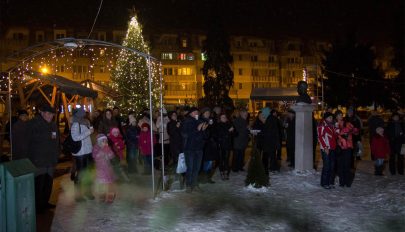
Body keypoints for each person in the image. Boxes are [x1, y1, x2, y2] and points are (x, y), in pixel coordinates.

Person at [27, 104, 59, 214]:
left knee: (48, 183)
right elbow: (27, 142)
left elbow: (56, 142)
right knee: (38, 184)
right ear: (42, 113)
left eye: (52, 114)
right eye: (48, 113)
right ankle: (37, 206)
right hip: (38, 159)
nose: (51, 116)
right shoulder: (33, 124)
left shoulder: (53, 125)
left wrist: (56, 155)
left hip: (50, 159)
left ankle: (45, 202)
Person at [70, 107, 95, 201]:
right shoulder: (75, 124)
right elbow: (75, 138)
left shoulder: (85, 121)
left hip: (88, 151)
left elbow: (90, 135)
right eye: (82, 113)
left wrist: (90, 126)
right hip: (80, 153)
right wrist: (89, 132)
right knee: (80, 174)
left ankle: (88, 192)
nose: (84, 114)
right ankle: (78, 195)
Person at [181, 107, 208, 193]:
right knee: (190, 167)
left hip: (199, 148)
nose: (197, 113)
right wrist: (197, 129)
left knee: (197, 168)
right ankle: (188, 185)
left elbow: (205, 136)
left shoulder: (200, 121)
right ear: (190, 113)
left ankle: (194, 184)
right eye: (195, 112)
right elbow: (185, 134)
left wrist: (203, 131)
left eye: (197, 112)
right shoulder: (186, 121)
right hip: (190, 149)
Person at [335, 110, 358, 187]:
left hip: (348, 146)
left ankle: (347, 182)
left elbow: (356, 131)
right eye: (339, 115)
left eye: (341, 115)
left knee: (347, 164)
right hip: (339, 147)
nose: (340, 116)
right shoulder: (335, 124)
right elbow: (335, 133)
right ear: (336, 116)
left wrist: (353, 130)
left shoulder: (347, 123)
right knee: (340, 165)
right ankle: (342, 182)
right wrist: (342, 132)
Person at [92, 134, 117, 203]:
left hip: (108, 169)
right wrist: (102, 151)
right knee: (101, 184)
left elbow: (112, 156)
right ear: (99, 142)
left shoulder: (107, 148)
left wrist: (108, 152)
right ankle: (102, 196)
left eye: (106, 141)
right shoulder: (96, 148)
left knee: (109, 184)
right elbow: (95, 156)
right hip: (100, 170)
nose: (105, 143)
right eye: (103, 141)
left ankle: (110, 197)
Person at [317, 112, 338, 189]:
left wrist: (336, 130)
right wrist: (325, 147)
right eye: (330, 117)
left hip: (333, 147)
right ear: (325, 118)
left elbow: (334, 136)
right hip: (326, 148)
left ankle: (330, 182)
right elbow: (320, 137)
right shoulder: (322, 125)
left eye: (332, 118)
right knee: (327, 165)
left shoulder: (332, 125)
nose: (331, 119)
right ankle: (324, 183)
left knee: (332, 166)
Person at [167, 111, 185, 187]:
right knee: (176, 161)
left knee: (181, 161)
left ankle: (180, 176)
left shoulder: (179, 122)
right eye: (173, 115)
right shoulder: (169, 124)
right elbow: (171, 133)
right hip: (174, 145)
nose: (175, 116)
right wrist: (176, 127)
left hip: (181, 144)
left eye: (175, 115)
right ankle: (176, 176)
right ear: (170, 116)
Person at [261, 107, 281, 175]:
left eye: (263, 113)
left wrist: (262, 133)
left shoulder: (269, 119)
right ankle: (274, 167)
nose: (262, 115)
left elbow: (268, 131)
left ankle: (273, 168)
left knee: (271, 154)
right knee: (272, 154)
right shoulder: (271, 118)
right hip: (272, 140)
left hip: (270, 141)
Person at [215, 113, 234, 180]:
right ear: (220, 118)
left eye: (225, 117)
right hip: (220, 145)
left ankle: (226, 172)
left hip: (227, 145)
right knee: (221, 159)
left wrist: (233, 131)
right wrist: (228, 131)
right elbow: (219, 134)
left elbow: (235, 134)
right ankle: (222, 172)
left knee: (226, 159)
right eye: (222, 117)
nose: (224, 118)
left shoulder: (229, 124)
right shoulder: (218, 125)